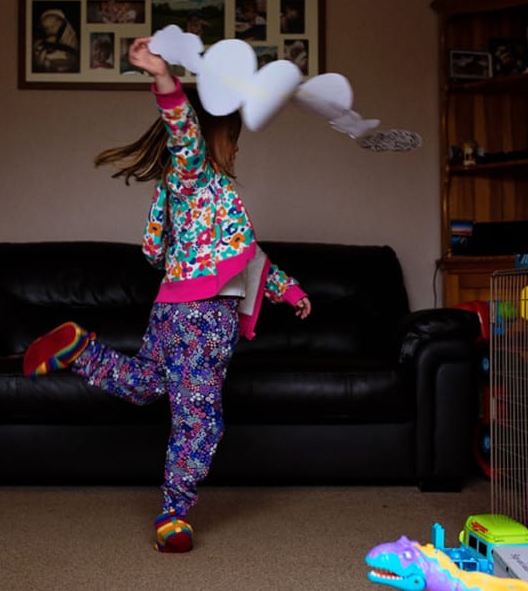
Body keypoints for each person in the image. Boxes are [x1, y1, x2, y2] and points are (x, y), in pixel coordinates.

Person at [22, 36, 312, 554]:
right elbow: (182, 131)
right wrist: (163, 78)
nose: (237, 148)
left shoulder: (217, 199)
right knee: (201, 421)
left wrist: (288, 290)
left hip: (173, 313)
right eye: (232, 138)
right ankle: (173, 513)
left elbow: (246, 256)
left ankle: (78, 347)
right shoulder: (193, 177)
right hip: (199, 321)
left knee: (143, 385)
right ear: (210, 137)